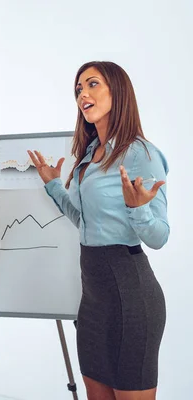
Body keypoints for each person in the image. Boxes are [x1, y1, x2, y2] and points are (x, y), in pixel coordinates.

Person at [28, 61, 168, 400]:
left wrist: (138, 209)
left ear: (117, 92)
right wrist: (53, 186)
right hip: (93, 297)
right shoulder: (90, 154)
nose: (83, 94)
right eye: (78, 89)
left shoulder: (141, 154)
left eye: (92, 85)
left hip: (130, 293)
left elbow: (159, 236)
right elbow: (85, 223)